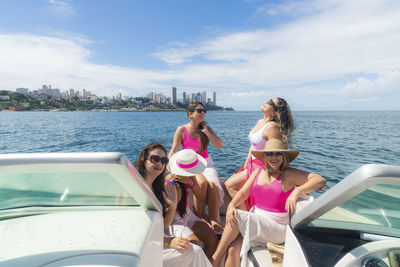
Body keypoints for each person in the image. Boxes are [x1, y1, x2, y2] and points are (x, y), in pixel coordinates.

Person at [211, 139, 326, 267]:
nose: (274, 157)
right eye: (270, 153)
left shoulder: (289, 174)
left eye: (278, 153)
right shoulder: (258, 171)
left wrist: (297, 191)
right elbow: (243, 193)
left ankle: (215, 259)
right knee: (233, 248)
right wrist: (231, 205)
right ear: (265, 156)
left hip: (276, 228)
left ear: (284, 156)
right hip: (257, 222)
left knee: (237, 216)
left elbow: (319, 180)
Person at [135, 143, 211, 267]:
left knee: (194, 248)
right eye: (155, 159)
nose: (160, 163)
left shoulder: (157, 188)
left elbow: (163, 224)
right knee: (194, 251)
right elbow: (136, 229)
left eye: (164, 160)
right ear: (144, 160)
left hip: (156, 236)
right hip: (142, 247)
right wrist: (167, 241)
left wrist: (173, 205)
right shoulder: (135, 187)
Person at [225, 97, 295, 209]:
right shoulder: (260, 122)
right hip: (251, 162)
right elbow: (253, 145)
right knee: (234, 186)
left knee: (230, 185)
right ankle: (247, 214)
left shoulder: (272, 128)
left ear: (276, 112)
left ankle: (247, 216)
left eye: (271, 103)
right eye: (270, 99)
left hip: (262, 165)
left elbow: (276, 152)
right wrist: (247, 161)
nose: (267, 101)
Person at [169, 102, 224, 233]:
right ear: (190, 114)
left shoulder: (206, 128)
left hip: (205, 162)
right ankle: (199, 217)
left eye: (204, 111)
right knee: (201, 182)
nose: (202, 113)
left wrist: (206, 131)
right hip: (189, 163)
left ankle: (213, 219)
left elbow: (219, 144)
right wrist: (169, 166)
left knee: (212, 184)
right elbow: (174, 150)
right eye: (199, 110)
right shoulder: (181, 130)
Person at [166, 149, 218, 259]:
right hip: (173, 219)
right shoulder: (169, 182)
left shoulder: (190, 175)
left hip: (187, 215)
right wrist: (178, 191)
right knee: (193, 245)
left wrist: (191, 183)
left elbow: (200, 197)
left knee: (212, 239)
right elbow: (168, 209)